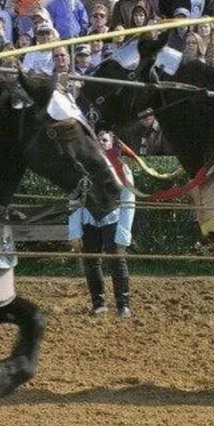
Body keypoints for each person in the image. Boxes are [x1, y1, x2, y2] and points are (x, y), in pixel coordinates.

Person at [68, 131, 135, 318]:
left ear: (112, 143)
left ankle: (123, 306)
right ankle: (99, 304)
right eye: (97, 140)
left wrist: (123, 234)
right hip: (89, 218)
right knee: (91, 262)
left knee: (117, 261)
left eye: (104, 140)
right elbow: (74, 199)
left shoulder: (122, 169)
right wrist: (74, 231)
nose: (100, 143)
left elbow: (129, 202)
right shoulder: (82, 169)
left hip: (113, 218)